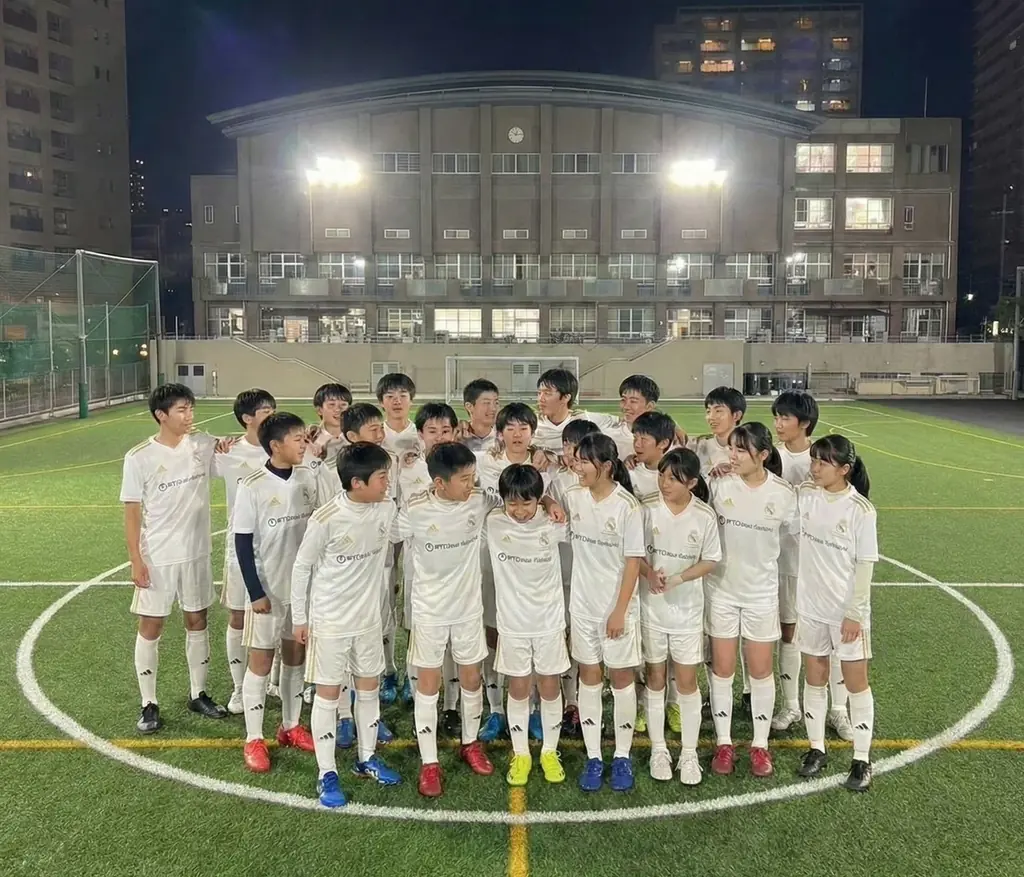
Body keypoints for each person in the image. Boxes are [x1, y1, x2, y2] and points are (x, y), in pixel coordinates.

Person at [395, 442, 565, 797]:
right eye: (464, 478)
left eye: (473, 476)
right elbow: (387, 534)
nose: (472, 484)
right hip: (429, 611)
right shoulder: (415, 509)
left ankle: (470, 744)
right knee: (428, 685)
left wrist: (549, 501)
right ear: (439, 483)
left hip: (469, 609)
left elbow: (519, 497)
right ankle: (429, 762)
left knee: (471, 680)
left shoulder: (480, 501)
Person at [291, 443, 403, 807]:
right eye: (382, 477)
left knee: (368, 689)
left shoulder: (386, 507)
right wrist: (300, 618)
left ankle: (366, 758)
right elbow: (302, 567)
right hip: (331, 622)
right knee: (328, 695)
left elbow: (407, 531)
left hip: (368, 621)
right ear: (357, 482)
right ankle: (326, 773)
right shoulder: (326, 518)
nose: (388, 483)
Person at [120, 383, 228, 734]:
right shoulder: (139, 457)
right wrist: (136, 560)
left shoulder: (203, 444)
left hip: (196, 552)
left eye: (190, 408)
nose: (189, 415)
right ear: (161, 415)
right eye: (182, 410)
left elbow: (239, 450)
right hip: (159, 556)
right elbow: (132, 511)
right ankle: (148, 703)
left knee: (197, 619)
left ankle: (198, 693)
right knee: (152, 624)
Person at [706, 423, 799, 779]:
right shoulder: (718, 484)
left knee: (760, 671)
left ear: (763, 454)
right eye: (731, 448)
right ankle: (724, 742)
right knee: (722, 670)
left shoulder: (784, 494)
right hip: (721, 592)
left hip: (761, 594)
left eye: (741, 450)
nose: (732, 455)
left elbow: (795, 537)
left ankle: (760, 745)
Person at [234, 412, 317, 773]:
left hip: (301, 591)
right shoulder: (252, 485)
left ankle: (290, 725)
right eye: (297, 439)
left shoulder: (308, 477)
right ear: (276, 445)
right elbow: (242, 543)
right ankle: (254, 738)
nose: (304, 444)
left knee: (295, 656)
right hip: (267, 590)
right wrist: (255, 592)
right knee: (261, 661)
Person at [794, 435, 878, 792]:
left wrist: (855, 613)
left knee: (856, 683)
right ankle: (816, 748)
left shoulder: (860, 510)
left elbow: (865, 564)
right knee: (814, 677)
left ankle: (862, 758)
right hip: (810, 607)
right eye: (813, 460)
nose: (814, 468)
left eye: (823, 462)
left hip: (845, 614)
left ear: (844, 469)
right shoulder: (805, 495)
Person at [563, 433, 645, 793]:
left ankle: (622, 755)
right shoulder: (573, 496)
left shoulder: (628, 506)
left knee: (622, 679)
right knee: (590, 678)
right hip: (583, 606)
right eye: (576, 459)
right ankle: (594, 756)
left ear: (607, 466)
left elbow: (633, 563)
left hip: (616, 610)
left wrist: (619, 611)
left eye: (584, 461)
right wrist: (548, 499)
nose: (577, 466)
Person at [486, 464, 570, 786]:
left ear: (537, 500)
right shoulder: (493, 522)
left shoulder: (553, 523)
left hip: (548, 621)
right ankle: (521, 753)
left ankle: (549, 751)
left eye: (527, 503)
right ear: (503, 500)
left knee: (549, 686)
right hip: (512, 624)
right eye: (513, 503)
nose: (519, 511)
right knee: (519, 688)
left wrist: (549, 502)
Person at [641, 448, 721, 785]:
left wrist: (679, 578)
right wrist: (649, 573)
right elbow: (634, 553)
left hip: (687, 613)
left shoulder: (703, 516)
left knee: (687, 682)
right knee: (655, 678)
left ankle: (689, 754)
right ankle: (658, 749)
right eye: (661, 476)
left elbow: (711, 559)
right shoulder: (645, 508)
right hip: (651, 610)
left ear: (691, 482)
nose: (664, 483)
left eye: (673, 479)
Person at [319, 402, 397, 746]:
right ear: (352, 436)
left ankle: (370, 718)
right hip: (343, 579)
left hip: (378, 568)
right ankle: (344, 716)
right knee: (343, 654)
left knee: (370, 648)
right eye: (373, 429)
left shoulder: (389, 464)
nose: (381, 434)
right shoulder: (330, 470)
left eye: (381, 427)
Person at [475, 402, 550, 742]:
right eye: (510, 428)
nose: (517, 434)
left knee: (532, 639)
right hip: (493, 562)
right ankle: (495, 709)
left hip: (533, 570)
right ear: (500, 432)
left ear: (533, 432)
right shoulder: (484, 462)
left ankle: (532, 708)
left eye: (524, 428)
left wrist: (549, 500)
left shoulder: (546, 465)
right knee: (493, 635)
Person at [395, 402, 461, 724]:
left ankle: (451, 704)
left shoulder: (465, 465)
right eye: (432, 431)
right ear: (419, 434)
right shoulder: (407, 468)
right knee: (418, 631)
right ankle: (418, 694)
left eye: (445, 430)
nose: (439, 436)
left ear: (455, 432)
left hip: (457, 565)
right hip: (419, 564)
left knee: (454, 638)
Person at [212, 388, 275, 715]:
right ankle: (238, 688)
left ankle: (273, 680)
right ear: (247, 418)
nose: (272, 415)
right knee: (238, 615)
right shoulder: (228, 453)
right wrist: (217, 444)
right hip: (241, 546)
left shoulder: (282, 448)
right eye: (265, 411)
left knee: (278, 613)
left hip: (279, 545)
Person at [546, 418, 603, 738]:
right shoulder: (557, 480)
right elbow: (540, 497)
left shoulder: (603, 483)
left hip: (592, 576)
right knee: (565, 637)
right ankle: (570, 702)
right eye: (566, 446)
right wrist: (548, 500)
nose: (569, 453)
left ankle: (587, 700)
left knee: (588, 643)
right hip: (560, 572)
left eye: (576, 447)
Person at [304, 383, 353, 508]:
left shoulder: (357, 437)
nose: (338, 410)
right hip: (320, 506)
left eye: (343, 405)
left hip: (352, 505)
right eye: (331, 404)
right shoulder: (309, 440)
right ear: (319, 410)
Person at [376, 372, 420, 457]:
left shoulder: (419, 434)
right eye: (390, 396)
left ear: (411, 400)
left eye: (403, 396)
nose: (397, 402)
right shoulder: (376, 435)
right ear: (381, 402)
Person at [460, 378, 500, 453]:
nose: (493, 408)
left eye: (496, 403)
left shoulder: (503, 438)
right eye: (486, 403)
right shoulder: (458, 438)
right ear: (469, 407)